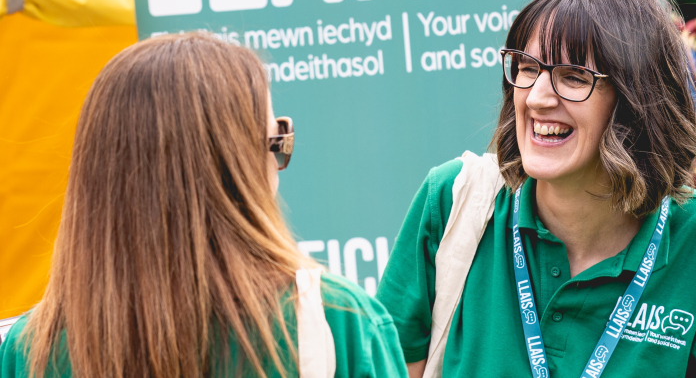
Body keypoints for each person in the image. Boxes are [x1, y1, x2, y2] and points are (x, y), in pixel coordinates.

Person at [376, 0, 696, 377]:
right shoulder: (455, 200)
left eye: (574, 77)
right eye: (527, 68)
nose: (537, 97)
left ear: (635, 100)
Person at [0, 32, 407, 378]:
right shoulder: (339, 321)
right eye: (275, 142)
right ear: (236, 169)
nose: (279, 166)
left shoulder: (31, 349)